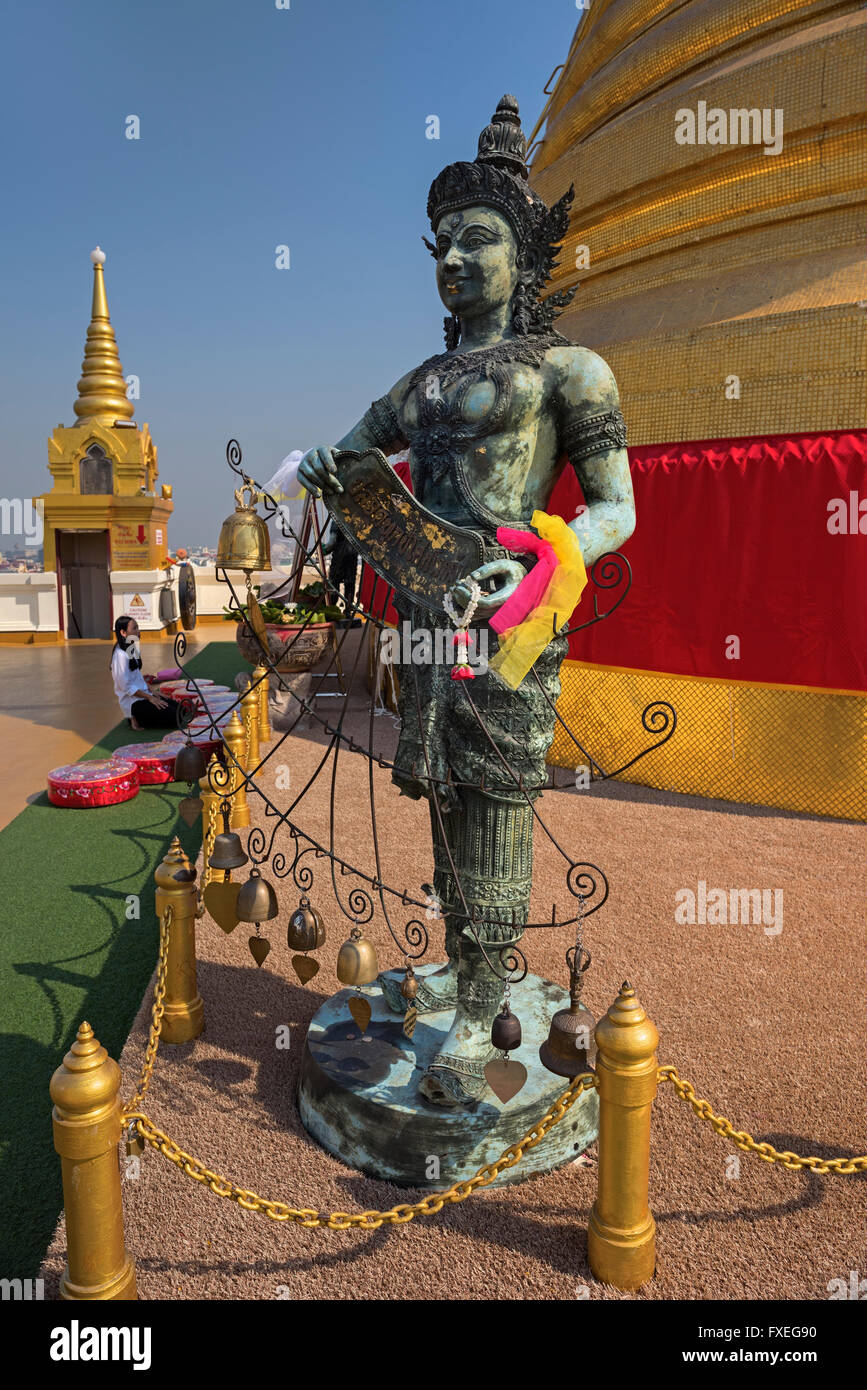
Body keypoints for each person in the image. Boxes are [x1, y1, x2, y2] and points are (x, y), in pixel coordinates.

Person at [298, 96, 636, 1105]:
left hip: (512, 611)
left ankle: (487, 984)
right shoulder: (425, 384)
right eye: (441, 243)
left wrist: (546, 551)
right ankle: (462, 953)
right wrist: (325, 467)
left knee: (496, 794)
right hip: (427, 608)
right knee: (439, 785)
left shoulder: (567, 371)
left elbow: (616, 509)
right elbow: (354, 452)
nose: (452, 259)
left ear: (525, 256)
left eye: (476, 240)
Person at [111, 616, 178, 730]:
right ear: (123, 632)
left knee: (180, 709)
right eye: (134, 628)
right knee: (176, 718)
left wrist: (152, 692)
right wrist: (150, 698)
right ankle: (135, 718)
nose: (138, 631)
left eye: (138, 627)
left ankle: (143, 716)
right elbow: (126, 687)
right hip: (134, 703)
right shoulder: (119, 655)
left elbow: (136, 675)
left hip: (144, 696)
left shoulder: (132, 645)